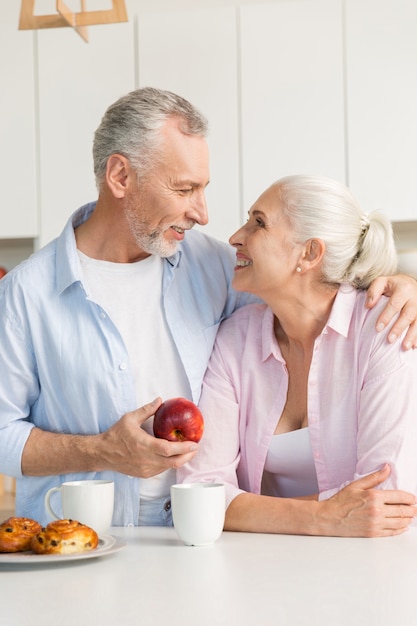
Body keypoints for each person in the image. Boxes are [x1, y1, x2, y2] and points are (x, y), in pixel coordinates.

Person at [0, 89, 416, 529]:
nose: (202, 213)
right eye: (185, 189)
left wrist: (402, 285)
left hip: (200, 536)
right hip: (78, 536)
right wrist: (101, 450)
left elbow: (313, 294)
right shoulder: (26, 294)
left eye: (203, 188)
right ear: (120, 176)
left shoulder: (216, 267)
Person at [178, 174, 417, 537]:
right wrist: (326, 516)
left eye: (258, 223)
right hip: (262, 568)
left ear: (310, 253)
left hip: (371, 568)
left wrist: (249, 510)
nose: (235, 238)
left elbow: (386, 503)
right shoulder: (235, 339)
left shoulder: (384, 329)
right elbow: (201, 492)